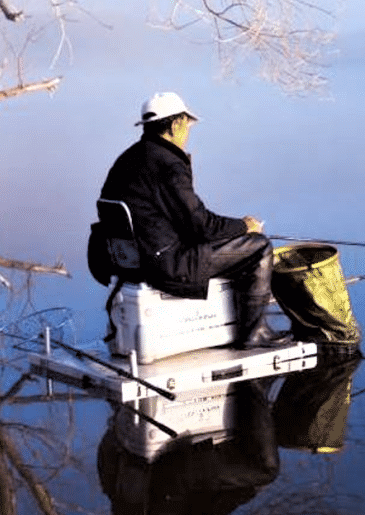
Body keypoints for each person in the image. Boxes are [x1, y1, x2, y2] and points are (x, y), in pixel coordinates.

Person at [99, 91, 291, 350]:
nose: (188, 133)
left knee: (234, 243)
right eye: (187, 126)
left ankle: (235, 323)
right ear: (176, 124)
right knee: (258, 248)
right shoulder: (169, 163)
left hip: (130, 263)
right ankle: (253, 333)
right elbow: (201, 225)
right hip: (167, 264)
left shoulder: (127, 159)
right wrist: (245, 226)